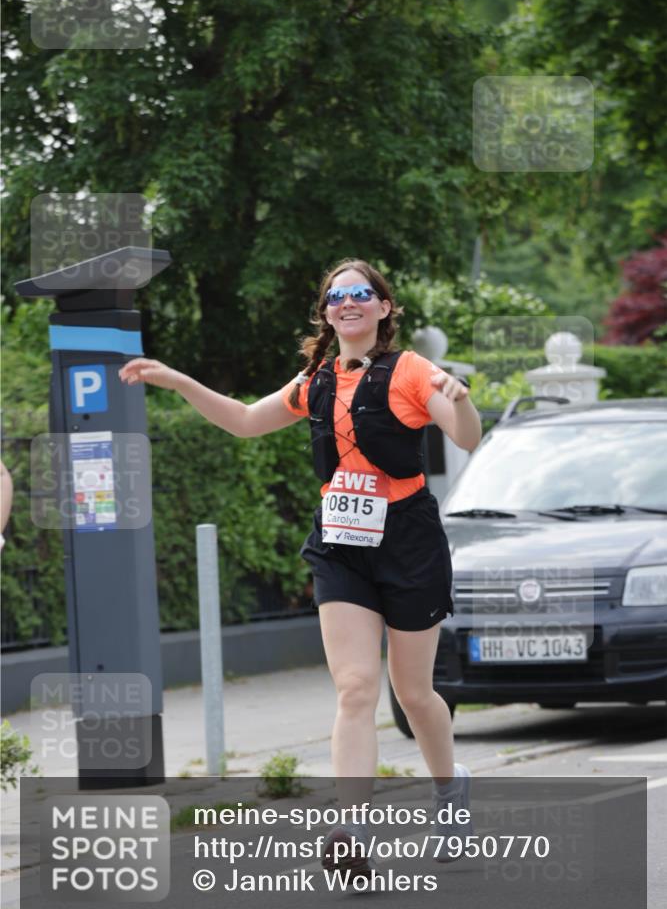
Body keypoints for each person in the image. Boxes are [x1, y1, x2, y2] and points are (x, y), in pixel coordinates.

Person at [119, 257, 482, 872]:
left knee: (414, 693)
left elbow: (466, 438)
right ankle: (353, 832)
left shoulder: (414, 372)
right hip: (340, 543)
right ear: (325, 311)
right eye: (336, 296)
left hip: (409, 540)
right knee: (355, 688)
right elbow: (242, 420)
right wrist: (179, 380)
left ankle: (449, 790)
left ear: (384, 308)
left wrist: (461, 400)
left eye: (362, 294)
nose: (349, 303)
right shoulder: (314, 379)